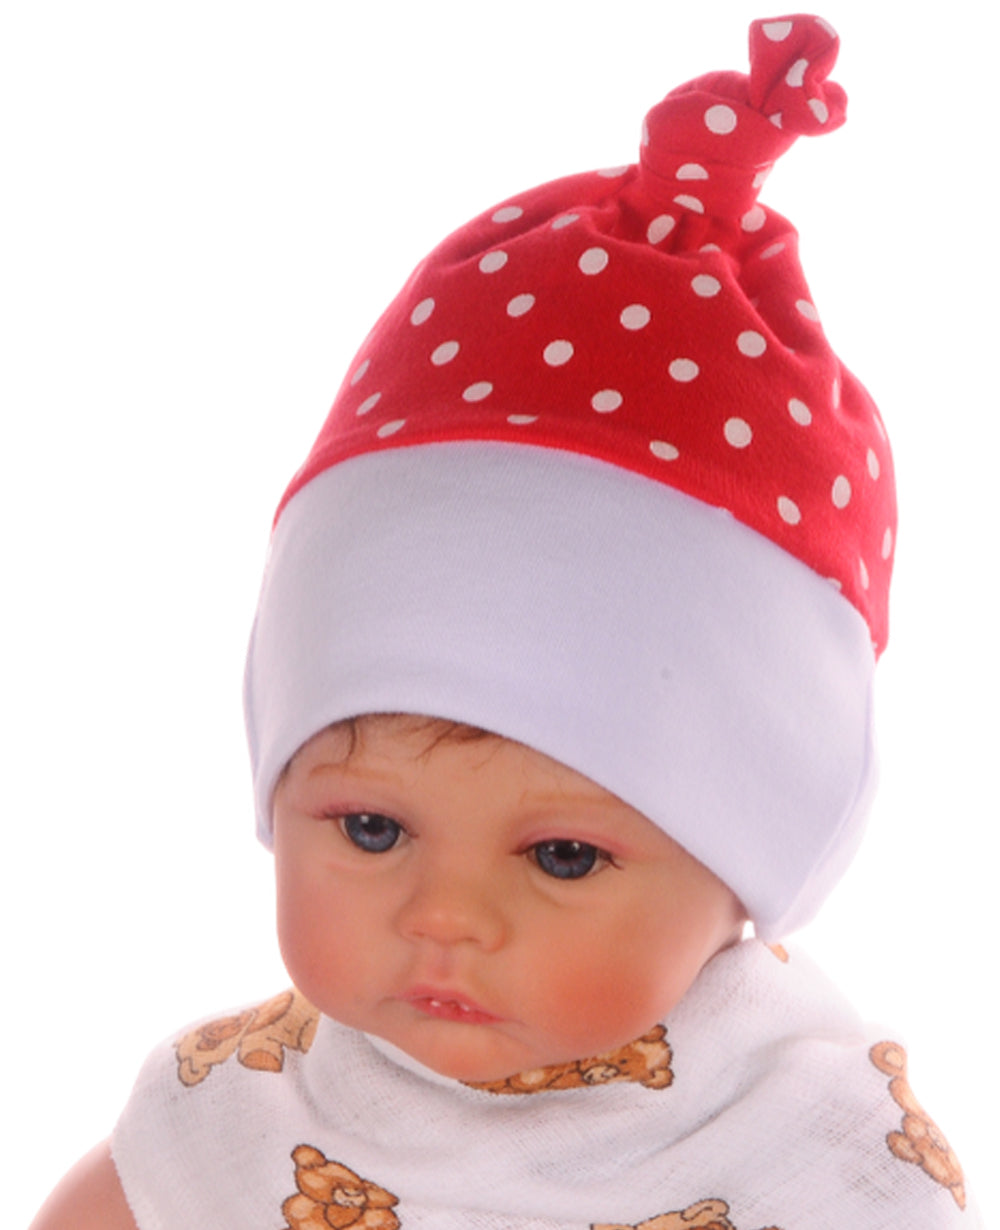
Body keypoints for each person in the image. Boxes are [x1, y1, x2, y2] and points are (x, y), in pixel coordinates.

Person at [29, 14, 983, 1229]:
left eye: (563, 856)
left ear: (752, 865)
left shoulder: (817, 1154)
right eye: (371, 827)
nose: (443, 918)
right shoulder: (249, 1105)